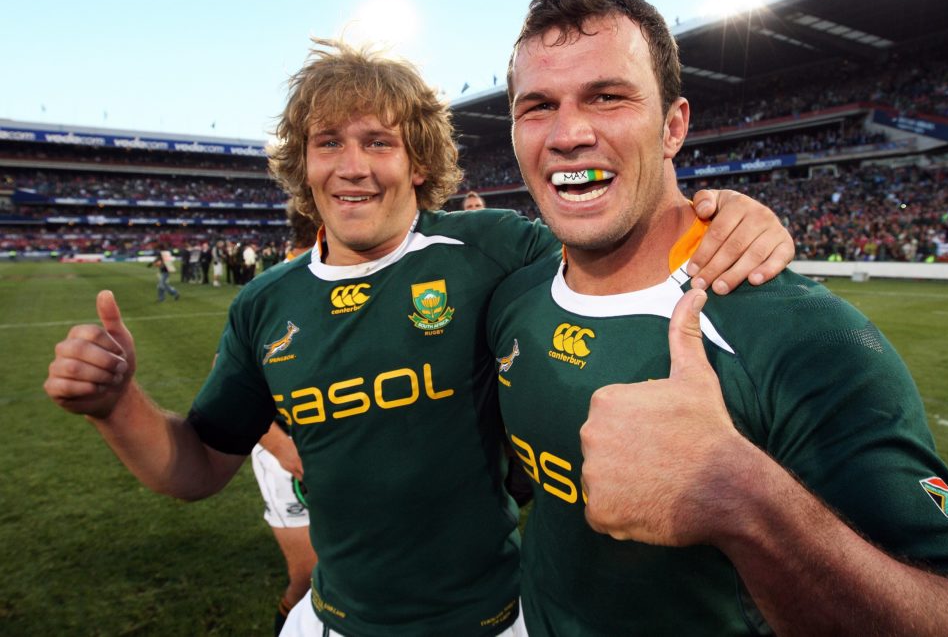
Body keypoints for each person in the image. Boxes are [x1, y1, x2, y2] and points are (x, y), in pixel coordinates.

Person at [43, 38, 793, 637]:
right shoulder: (266, 303)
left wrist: (722, 213)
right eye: (328, 142)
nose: (353, 166)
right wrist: (118, 405)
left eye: (379, 141)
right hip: (334, 620)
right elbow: (199, 463)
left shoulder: (492, 248)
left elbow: (619, 246)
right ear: (302, 164)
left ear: (420, 158)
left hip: (495, 618)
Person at [487, 0, 948, 636]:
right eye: (537, 106)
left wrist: (747, 501)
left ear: (674, 125)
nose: (570, 133)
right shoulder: (512, 298)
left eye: (608, 97)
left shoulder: (803, 336)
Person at [254, 199, 321, 634]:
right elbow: (234, 394)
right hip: (289, 455)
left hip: (339, 452)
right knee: (309, 577)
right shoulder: (271, 291)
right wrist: (285, 449)